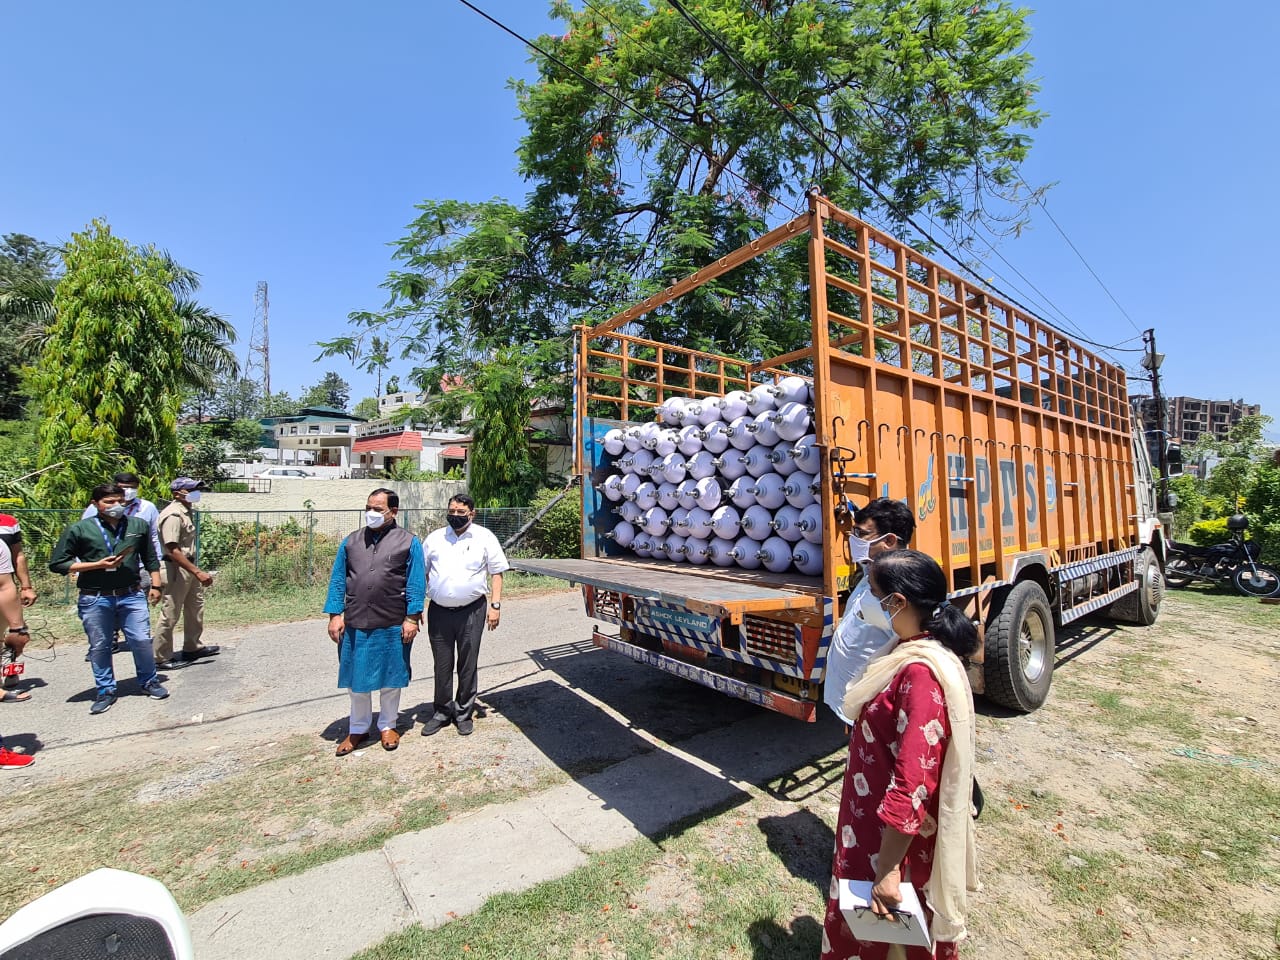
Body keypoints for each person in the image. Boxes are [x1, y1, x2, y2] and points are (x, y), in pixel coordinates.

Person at [820, 550, 979, 960]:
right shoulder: (904, 648)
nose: (865, 603)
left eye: (873, 594)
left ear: (898, 603)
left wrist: (889, 871)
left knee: (892, 939)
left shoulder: (921, 675)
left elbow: (913, 782)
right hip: (867, 828)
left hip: (892, 847)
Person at [48, 483, 167, 715]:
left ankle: (149, 681)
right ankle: (105, 690)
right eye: (109, 502)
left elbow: (150, 557)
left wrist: (156, 584)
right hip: (95, 598)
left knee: (141, 640)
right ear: (95, 504)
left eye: (120, 501)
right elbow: (58, 563)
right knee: (100, 646)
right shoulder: (80, 529)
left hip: (131, 594)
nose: (116, 506)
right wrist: (96, 565)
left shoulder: (137, 525)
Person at [324, 488, 426, 755]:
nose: (372, 513)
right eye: (369, 507)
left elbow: (416, 583)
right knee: (356, 679)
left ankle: (388, 725)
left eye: (378, 509)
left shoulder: (408, 542)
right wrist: (335, 615)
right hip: (356, 621)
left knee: (391, 679)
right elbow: (338, 580)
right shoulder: (351, 541)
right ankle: (357, 727)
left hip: (393, 621)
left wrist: (412, 617)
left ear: (394, 512)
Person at [420, 494, 508, 738]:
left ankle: (463, 713)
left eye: (461, 512)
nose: (455, 516)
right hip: (439, 611)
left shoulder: (484, 537)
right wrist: (416, 607)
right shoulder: (435, 538)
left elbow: (497, 572)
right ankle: (441, 712)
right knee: (442, 663)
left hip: (472, 610)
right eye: (452, 511)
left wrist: (495, 606)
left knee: (468, 663)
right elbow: (421, 574)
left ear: (472, 513)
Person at [823, 498, 916, 723]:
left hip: (873, 709)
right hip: (852, 705)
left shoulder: (899, 590)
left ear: (890, 540)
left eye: (862, 534)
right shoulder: (872, 572)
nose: (853, 539)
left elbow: (908, 651)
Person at [80, 472, 161, 659]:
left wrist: (156, 563)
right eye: (123, 487)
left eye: (132, 486)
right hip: (102, 566)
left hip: (137, 565)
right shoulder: (97, 508)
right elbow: (83, 537)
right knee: (107, 603)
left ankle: (137, 639)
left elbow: (154, 537)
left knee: (136, 601)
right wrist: (81, 566)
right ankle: (108, 639)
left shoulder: (147, 508)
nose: (128, 491)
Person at [154, 478, 219, 668]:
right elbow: (173, 549)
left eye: (196, 489)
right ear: (176, 493)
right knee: (170, 613)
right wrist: (197, 572)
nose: (194, 493)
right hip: (176, 568)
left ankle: (193, 647)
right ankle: (161, 657)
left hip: (188, 568)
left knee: (195, 608)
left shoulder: (186, 511)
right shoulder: (173, 515)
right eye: (189, 490)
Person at [0, 513, 37, 695]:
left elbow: (18, 556)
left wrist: (26, 586)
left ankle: (11, 666)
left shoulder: (8, 522)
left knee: (18, 636)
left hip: (6, 588)